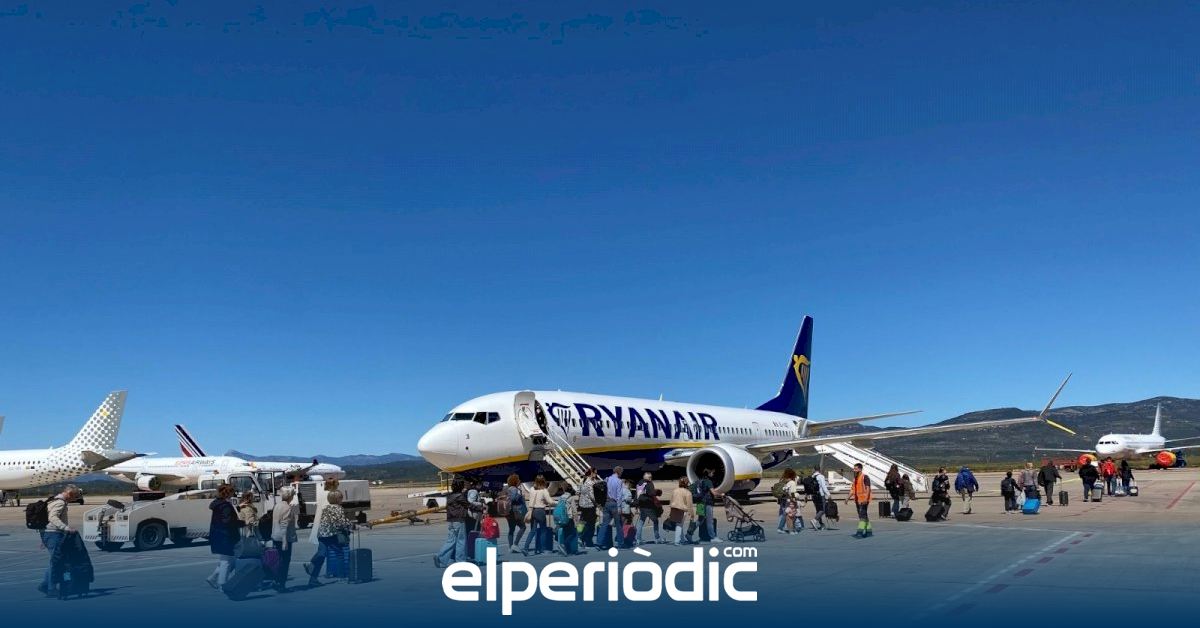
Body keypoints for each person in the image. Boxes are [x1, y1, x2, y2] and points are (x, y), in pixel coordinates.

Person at [38, 485, 80, 596]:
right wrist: (66, 528)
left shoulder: (53, 500)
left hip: (48, 533)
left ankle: (45, 584)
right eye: (74, 497)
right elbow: (52, 517)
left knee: (55, 561)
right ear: (69, 494)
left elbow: (47, 519)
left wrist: (44, 538)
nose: (74, 499)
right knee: (56, 562)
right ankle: (51, 588)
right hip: (54, 534)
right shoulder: (60, 503)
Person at [304, 490, 353, 584]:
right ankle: (342, 576)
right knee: (339, 554)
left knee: (321, 554)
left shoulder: (325, 508)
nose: (342, 500)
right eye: (341, 498)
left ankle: (313, 575)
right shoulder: (338, 508)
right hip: (332, 534)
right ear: (337, 499)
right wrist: (351, 526)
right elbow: (341, 522)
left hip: (322, 534)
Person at [434, 479, 481, 568]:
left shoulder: (449, 496)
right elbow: (469, 505)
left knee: (450, 541)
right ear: (460, 487)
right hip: (459, 520)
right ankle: (460, 561)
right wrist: (481, 508)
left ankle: (440, 557)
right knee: (461, 541)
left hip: (451, 521)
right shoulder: (460, 496)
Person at [206, 483, 242, 590]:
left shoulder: (218, 504)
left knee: (226, 560)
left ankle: (213, 578)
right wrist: (242, 523)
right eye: (232, 492)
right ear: (228, 493)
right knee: (227, 561)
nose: (233, 494)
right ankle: (222, 584)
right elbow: (228, 522)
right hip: (226, 536)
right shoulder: (225, 506)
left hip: (219, 535)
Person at [270, 486, 299, 592]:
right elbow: (284, 525)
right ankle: (281, 583)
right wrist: (285, 541)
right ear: (290, 496)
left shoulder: (277, 505)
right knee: (285, 561)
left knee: (278, 560)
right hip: (284, 537)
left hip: (275, 536)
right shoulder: (287, 508)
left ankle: (276, 580)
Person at [522, 476, 555, 555]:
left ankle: (526, 548)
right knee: (543, 531)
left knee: (532, 531)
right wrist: (557, 502)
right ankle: (542, 549)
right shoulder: (544, 490)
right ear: (543, 482)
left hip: (533, 511)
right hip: (540, 511)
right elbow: (550, 501)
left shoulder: (532, 489)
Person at [598, 466, 624, 549]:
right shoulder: (619, 481)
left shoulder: (607, 479)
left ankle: (599, 542)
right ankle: (620, 543)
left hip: (606, 503)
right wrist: (619, 507)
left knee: (604, 524)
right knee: (618, 524)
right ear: (619, 472)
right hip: (614, 503)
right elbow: (619, 495)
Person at [694, 467, 722, 543]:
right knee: (710, 521)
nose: (713, 474)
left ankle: (689, 533)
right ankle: (713, 537)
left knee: (700, 520)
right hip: (707, 503)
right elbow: (714, 493)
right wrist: (721, 494)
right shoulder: (708, 481)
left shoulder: (697, 482)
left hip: (699, 503)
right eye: (712, 472)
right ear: (708, 474)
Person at [502, 474, 528, 553]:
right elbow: (513, 498)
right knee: (523, 527)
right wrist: (519, 495)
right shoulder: (514, 489)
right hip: (516, 512)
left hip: (509, 512)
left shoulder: (506, 489)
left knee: (511, 529)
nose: (519, 481)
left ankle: (510, 547)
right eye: (518, 479)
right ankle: (515, 544)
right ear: (515, 481)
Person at [634, 472, 662, 545]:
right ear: (647, 477)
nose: (651, 478)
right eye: (650, 477)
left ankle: (638, 539)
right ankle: (657, 538)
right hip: (648, 506)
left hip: (641, 505)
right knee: (655, 520)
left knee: (641, 521)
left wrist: (636, 504)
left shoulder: (639, 483)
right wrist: (657, 492)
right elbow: (652, 493)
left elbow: (637, 495)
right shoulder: (649, 483)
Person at [847, 463, 873, 538]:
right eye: (854, 469)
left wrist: (865, 499)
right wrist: (847, 498)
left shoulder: (865, 477)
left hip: (864, 500)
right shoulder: (855, 478)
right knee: (863, 515)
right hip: (857, 500)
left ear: (860, 469)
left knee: (862, 516)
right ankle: (869, 531)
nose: (854, 470)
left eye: (856, 469)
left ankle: (860, 532)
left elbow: (868, 488)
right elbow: (853, 490)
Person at [668, 478, 695, 545]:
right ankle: (677, 540)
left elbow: (671, 500)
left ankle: (682, 539)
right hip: (682, 509)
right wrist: (692, 514)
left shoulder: (675, 490)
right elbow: (689, 504)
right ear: (687, 484)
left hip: (674, 508)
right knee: (679, 525)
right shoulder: (688, 492)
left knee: (679, 524)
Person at [578, 468, 599, 547]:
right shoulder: (590, 482)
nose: (596, 475)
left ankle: (579, 536)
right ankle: (588, 541)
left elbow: (578, 491)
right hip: (590, 505)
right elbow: (592, 496)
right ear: (591, 473)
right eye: (595, 473)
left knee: (582, 522)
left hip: (582, 505)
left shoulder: (582, 481)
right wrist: (597, 503)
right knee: (591, 524)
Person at [807, 466, 831, 530]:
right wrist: (828, 494)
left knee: (818, 510)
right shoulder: (821, 476)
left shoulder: (812, 477)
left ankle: (821, 524)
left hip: (814, 495)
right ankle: (814, 520)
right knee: (823, 509)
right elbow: (823, 486)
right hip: (820, 495)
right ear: (819, 469)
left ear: (814, 469)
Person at [776, 469, 797, 533]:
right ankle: (791, 529)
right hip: (790, 501)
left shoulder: (787, 483)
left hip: (786, 500)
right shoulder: (792, 483)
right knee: (791, 515)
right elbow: (792, 493)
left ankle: (780, 527)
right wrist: (794, 500)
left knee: (785, 514)